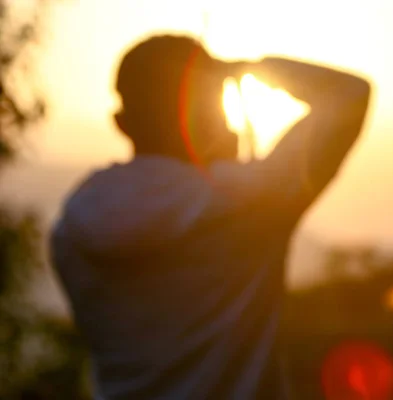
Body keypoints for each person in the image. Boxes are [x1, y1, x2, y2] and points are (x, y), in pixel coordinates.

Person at [51, 34, 372, 399]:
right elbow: (349, 95)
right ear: (206, 116)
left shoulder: (72, 225)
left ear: (122, 123)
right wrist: (251, 69)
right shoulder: (252, 202)